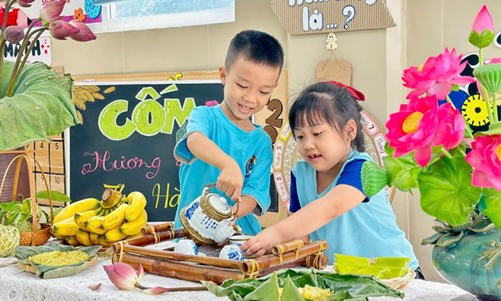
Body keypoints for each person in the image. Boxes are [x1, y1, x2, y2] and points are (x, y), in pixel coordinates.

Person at [241, 81, 421, 275]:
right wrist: (271, 250)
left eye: (317, 133)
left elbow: (330, 208)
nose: (308, 144)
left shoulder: (362, 168)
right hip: (347, 280)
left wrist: (275, 233)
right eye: (300, 136)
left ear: (349, 131)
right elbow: (303, 235)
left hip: (397, 275)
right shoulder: (299, 174)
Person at [173, 30, 285, 235]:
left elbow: (255, 194)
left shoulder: (261, 142)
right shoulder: (204, 116)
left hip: (239, 236)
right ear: (223, 75)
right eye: (242, 85)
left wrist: (230, 214)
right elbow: (194, 141)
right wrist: (229, 164)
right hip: (188, 234)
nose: (251, 98)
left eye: (263, 92)